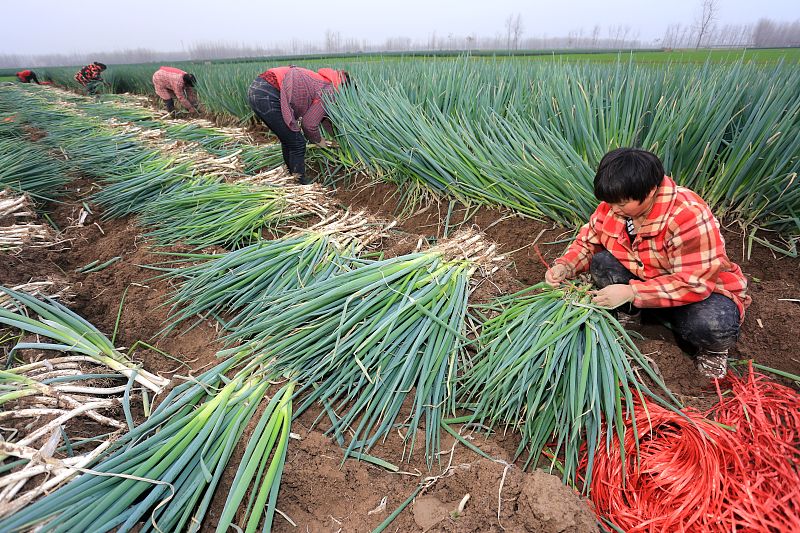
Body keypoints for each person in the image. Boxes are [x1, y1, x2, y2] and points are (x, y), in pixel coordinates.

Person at [544, 148, 751, 379]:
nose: (613, 208)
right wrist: (565, 266)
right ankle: (630, 314)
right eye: (609, 201)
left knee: (712, 323)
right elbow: (587, 242)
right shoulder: (614, 206)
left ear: (651, 190)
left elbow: (694, 284)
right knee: (602, 262)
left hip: (698, 290)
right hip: (645, 277)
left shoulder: (688, 215)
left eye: (622, 203)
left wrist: (632, 291)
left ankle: (713, 351)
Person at [247, 66, 348, 185]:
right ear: (346, 90)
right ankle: (300, 185)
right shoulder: (331, 91)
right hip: (268, 92)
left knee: (289, 140)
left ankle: (292, 178)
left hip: (259, 88)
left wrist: (339, 137)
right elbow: (309, 124)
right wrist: (318, 140)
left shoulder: (325, 82)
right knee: (297, 143)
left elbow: (323, 117)